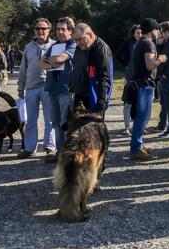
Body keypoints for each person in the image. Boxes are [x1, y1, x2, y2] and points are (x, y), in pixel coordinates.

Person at [127, 18, 167, 161]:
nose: (158, 32)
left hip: (140, 84)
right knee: (142, 117)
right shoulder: (148, 43)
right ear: (153, 29)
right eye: (157, 29)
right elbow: (150, 65)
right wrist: (161, 59)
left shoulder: (141, 43)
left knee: (141, 116)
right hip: (143, 85)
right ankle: (136, 148)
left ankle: (139, 144)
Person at [17, 18, 56, 159]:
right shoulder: (29, 46)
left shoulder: (55, 46)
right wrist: (20, 87)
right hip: (31, 88)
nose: (40, 31)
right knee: (31, 120)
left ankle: (50, 147)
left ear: (49, 30)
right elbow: (23, 68)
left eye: (43, 29)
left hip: (48, 87)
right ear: (34, 31)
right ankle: (29, 148)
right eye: (38, 28)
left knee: (50, 119)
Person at [41, 17, 76, 163]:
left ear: (70, 31)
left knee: (65, 123)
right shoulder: (53, 46)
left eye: (63, 29)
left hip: (65, 90)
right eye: (58, 29)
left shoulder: (73, 44)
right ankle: (60, 151)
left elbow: (61, 58)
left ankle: (68, 154)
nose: (60, 32)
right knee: (55, 123)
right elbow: (40, 64)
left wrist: (50, 61)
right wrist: (51, 62)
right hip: (51, 89)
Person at [69, 23, 114, 116]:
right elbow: (77, 68)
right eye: (75, 40)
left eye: (80, 39)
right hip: (79, 96)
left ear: (90, 35)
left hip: (93, 98)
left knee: (91, 130)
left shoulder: (101, 51)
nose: (77, 42)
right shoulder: (82, 46)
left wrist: (100, 110)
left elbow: (104, 80)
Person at [116, 24, 142, 136]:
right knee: (128, 103)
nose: (140, 34)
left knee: (140, 103)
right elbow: (118, 55)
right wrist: (126, 64)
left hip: (142, 78)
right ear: (133, 33)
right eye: (138, 32)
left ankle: (139, 125)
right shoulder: (129, 43)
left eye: (141, 32)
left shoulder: (146, 43)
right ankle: (127, 127)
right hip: (130, 76)